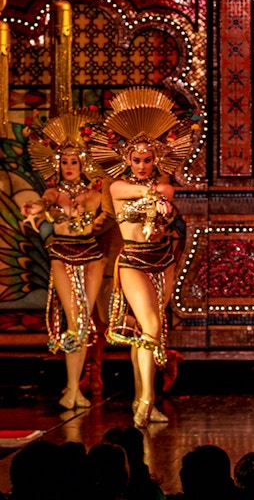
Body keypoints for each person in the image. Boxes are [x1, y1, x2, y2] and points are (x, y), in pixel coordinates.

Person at [89, 87, 193, 428]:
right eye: (137, 160)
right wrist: (157, 194)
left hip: (162, 261)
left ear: (157, 159)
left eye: (149, 160)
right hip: (133, 261)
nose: (143, 166)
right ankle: (147, 400)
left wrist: (162, 198)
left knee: (149, 332)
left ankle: (142, 397)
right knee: (150, 326)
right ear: (126, 160)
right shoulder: (118, 187)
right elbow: (146, 192)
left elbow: (166, 193)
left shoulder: (164, 188)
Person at [21, 110, 109, 409]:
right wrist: (35, 207)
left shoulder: (93, 196)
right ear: (56, 164)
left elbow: (102, 211)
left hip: (92, 257)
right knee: (74, 320)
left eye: (74, 161)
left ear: (83, 164)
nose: (68, 166)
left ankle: (74, 389)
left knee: (84, 324)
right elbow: (43, 202)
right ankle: (72, 387)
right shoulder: (53, 193)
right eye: (64, 161)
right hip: (62, 255)